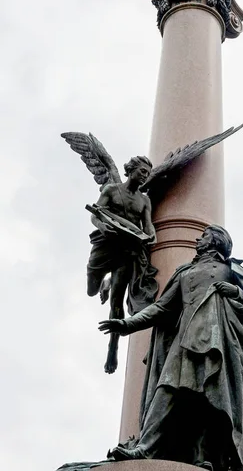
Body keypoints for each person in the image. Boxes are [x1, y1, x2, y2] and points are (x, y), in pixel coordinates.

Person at [99, 225, 243, 470]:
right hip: (185, 340)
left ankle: (203, 456)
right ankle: (146, 446)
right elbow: (161, 308)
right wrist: (128, 324)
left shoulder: (232, 269)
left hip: (216, 343)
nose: (198, 240)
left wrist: (234, 290)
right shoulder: (185, 272)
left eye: (203, 236)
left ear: (216, 241)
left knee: (208, 398)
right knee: (166, 389)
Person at [89, 155, 157, 374]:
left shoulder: (145, 200)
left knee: (116, 305)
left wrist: (150, 236)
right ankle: (103, 281)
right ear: (131, 170)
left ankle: (112, 349)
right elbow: (96, 214)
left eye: (148, 173)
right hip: (106, 244)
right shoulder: (111, 189)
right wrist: (101, 226)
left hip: (128, 251)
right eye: (142, 171)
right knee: (91, 290)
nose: (145, 176)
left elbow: (148, 226)